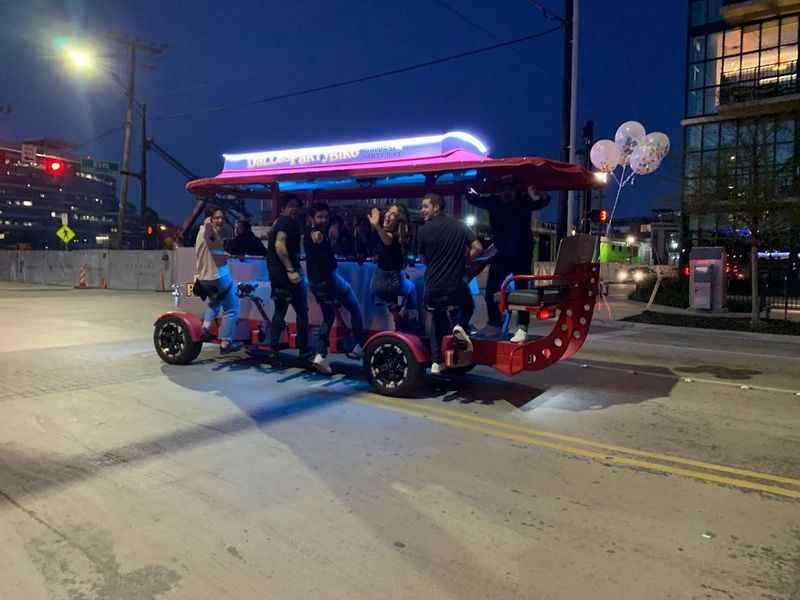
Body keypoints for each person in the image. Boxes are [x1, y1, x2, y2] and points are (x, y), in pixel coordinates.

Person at [466, 181, 550, 342]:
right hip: (502, 253)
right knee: (490, 290)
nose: (506, 193)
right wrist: (468, 184)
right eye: (503, 189)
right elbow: (473, 199)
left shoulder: (523, 200)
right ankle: (494, 323)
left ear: (514, 190)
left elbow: (543, 202)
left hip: (521, 254)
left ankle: (522, 326)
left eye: (509, 189)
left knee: (522, 292)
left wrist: (540, 193)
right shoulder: (494, 201)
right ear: (498, 191)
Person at [416, 193, 483, 374]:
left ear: (436, 207)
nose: (422, 210)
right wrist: (465, 260)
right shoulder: (460, 226)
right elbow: (478, 247)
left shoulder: (422, 231)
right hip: (455, 285)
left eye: (425, 206)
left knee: (434, 320)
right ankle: (459, 325)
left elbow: (423, 259)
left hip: (432, 286)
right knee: (468, 305)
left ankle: (437, 361)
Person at [303, 203, 366, 374]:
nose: (323, 220)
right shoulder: (316, 234)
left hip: (317, 282)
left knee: (328, 317)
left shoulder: (314, 233)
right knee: (354, 307)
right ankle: (359, 345)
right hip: (329, 280)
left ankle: (320, 355)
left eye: (325, 216)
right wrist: (324, 238)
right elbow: (317, 240)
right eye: (319, 217)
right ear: (312, 219)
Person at [266, 195, 310, 362]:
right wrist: (291, 269)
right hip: (288, 275)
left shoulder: (278, 222)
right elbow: (279, 245)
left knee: (280, 311)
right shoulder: (287, 222)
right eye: (291, 205)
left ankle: (273, 349)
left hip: (276, 275)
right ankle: (303, 350)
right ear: (284, 207)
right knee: (302, 312)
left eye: (297, 206)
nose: (295, 209)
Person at [194, 208, 240, 354]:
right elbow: (214, 247)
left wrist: (224, 254)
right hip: (217, 276)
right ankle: (226, 342)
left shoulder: (201, 232)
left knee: (215, 302)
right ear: (210, 218)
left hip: (203, 278)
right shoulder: (209, 231)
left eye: (222, 218)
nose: (220, 221)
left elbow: (212, 251)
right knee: (232, 308)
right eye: (217, 218)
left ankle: (205, 328)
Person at [368, 204, 418, 322]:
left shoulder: (391, 235)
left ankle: (395, 311)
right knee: (411, 288)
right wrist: (377, 226)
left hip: (378, 284)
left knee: (397, 294)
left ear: (398, 221)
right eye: (388, 212)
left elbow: (386, 242)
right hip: (390, 284)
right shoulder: (391, 236)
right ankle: (413, 318)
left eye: (393, 215)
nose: (387, 216)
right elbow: (388, 241)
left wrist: (376, 227)